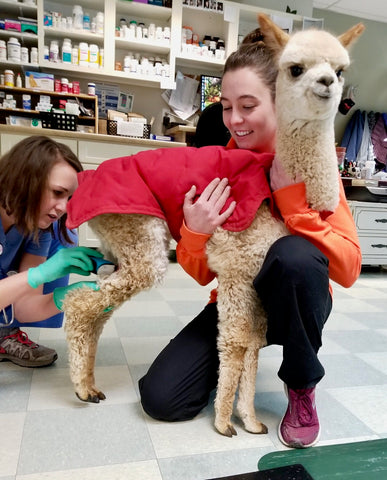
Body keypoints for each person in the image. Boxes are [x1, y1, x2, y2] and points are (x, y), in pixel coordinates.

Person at [138, 30, 362, 449]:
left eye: (247, 106)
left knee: (294, 256)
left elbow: (348, 269)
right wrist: (195, 231)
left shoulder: (313, 163)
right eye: (225, 107)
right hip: (237, 301)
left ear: (280, 102)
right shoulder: (217, 167)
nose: (234, 120)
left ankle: (301, 385)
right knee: (162, 399)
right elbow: (204, 274)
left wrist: (295, 207)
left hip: (297, 298)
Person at [0, 136, 101, 367]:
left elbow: (23, 309)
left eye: (70, 198)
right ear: (24, 179)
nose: (64, 207)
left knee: (65, 234)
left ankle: (4, 332)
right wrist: (38, 275)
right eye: (57, 192)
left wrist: (65, 297)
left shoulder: (41, 228)